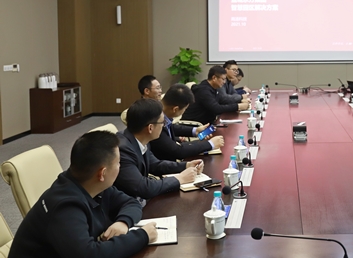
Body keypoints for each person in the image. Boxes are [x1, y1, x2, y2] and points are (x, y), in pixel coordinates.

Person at [8, 131, 157, 258]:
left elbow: (131, 203)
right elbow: (89, 254)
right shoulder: (65, 207)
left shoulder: (92, 184)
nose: (120, 166)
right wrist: (142, 236)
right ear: (102, 173)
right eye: (118, 163)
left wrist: (123, 222)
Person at [114, 98, 204, 202]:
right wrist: (180, 179)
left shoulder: (139, 139)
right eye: (163, 122)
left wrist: (186, 165)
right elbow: (144, 188)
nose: (164, 126)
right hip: (125, 204)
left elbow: (156, 165)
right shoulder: (122, 150)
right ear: (150, 128)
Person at [150, 83, 225, 161]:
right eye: (185, 109)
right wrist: (210, 144)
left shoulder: (160, 113)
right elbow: (177, 151)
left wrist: (196, 130)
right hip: (164, 164)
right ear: (175, 109)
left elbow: (171, 127)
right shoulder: (155, 122)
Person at [181, 66, 250, 124]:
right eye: (223, 79)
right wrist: (238, 106)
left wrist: (240, 101)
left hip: (207, 122)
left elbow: (222, 100)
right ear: (214, 78)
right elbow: (216, 108)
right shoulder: (204, 90)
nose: (224, 82)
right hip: (195, 124)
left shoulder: (213, 87)